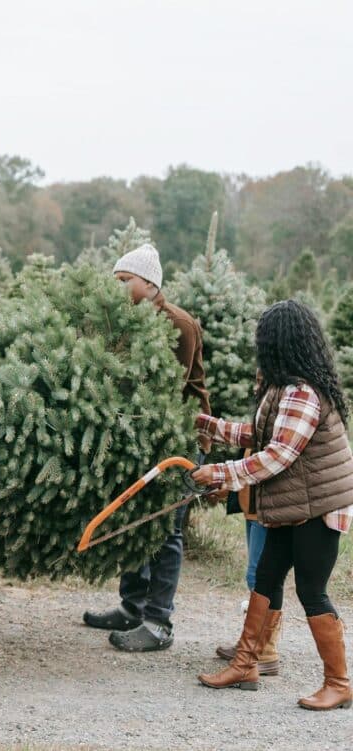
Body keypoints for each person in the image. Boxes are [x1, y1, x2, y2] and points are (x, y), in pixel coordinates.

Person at [193, 299, 353, 710]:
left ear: (278, 343)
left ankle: (339, 683)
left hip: (318, 509)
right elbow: (260, 433)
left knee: (311, 591)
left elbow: (279, 454)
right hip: (293, 506)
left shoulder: (303, 393)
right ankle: (246, 663)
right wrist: (211, 425)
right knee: (266, 577)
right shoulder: (283, 388)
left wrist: (222, 473)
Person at [82, 243, 211, 652]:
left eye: (126, 280)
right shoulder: (124, 320)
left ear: (151, 284)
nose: (117, 287)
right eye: (115, 279)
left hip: (179, 438)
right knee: (134, 516)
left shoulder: (179, 324)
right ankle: (131, 606)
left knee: (166, 529)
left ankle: (158, 623)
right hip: (139, 435)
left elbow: (165, 387)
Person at [215, 372, 283, 677]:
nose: (256, 378)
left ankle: (264, 649)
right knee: (253, 572)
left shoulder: (284, 397)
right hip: (250, 502)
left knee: (261, 574)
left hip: (268, 504)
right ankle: (250, 641)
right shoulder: (267, 398)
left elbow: (269, 453)